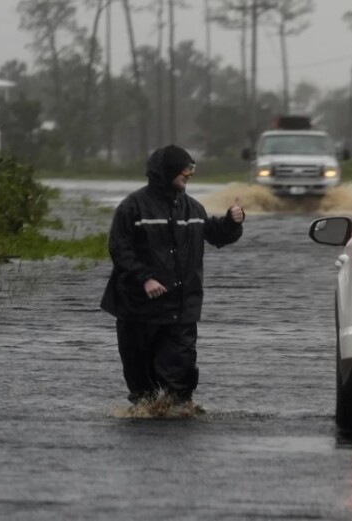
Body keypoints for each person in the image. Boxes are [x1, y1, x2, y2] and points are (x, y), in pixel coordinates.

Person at [101, 145, 245, 405]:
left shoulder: (193, 209)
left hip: (181, 310)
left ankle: (178, 418)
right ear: (166, 171)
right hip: (138, 311)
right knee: (142, 388)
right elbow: (119, 249)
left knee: (179, 384)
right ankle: (146, 421)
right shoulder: (132, 208)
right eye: (185, 169)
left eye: (192, 169)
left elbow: (217, 235)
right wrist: (145, 278)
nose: (189, 175)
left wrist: (232, 223)